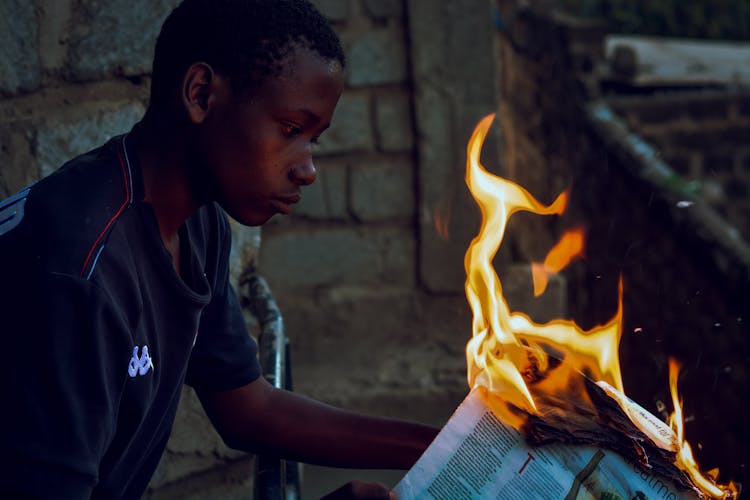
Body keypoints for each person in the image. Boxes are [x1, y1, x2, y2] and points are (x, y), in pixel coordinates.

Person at [0, 1, 438, 498]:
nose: (308, 169)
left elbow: (249, 409)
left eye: (313, 140)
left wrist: (442, 447)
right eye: (292, 130)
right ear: (202, 94)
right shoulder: (81, 272)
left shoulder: (197, 222)